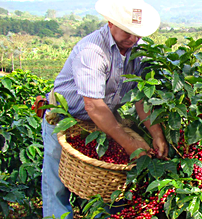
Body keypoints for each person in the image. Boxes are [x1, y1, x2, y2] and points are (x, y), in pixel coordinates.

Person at [41, 0, 168, 218]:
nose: (133, 39)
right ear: (110, 23)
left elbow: (141, 97)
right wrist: (130, 144)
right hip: (65, 118)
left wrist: (157, 134)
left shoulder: (139, 51)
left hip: (104, 121)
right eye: (128, 32)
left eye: (137, 34)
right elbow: (94, 106)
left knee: (106, 182)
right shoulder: (92, 50)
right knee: (57, 183)